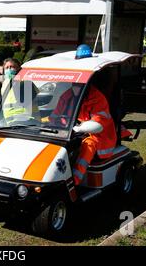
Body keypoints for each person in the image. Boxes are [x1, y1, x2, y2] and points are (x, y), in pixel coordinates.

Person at [53, 45, 117, 186]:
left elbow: (98, 125)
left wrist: (80, 128)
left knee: (87, 146)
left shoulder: (98, 98)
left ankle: (74, 182)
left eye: (79, 83)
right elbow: (55, 117)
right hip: (71, 131)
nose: (75, 86)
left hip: (97, 135)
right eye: (74, 82)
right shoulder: (67, 96)